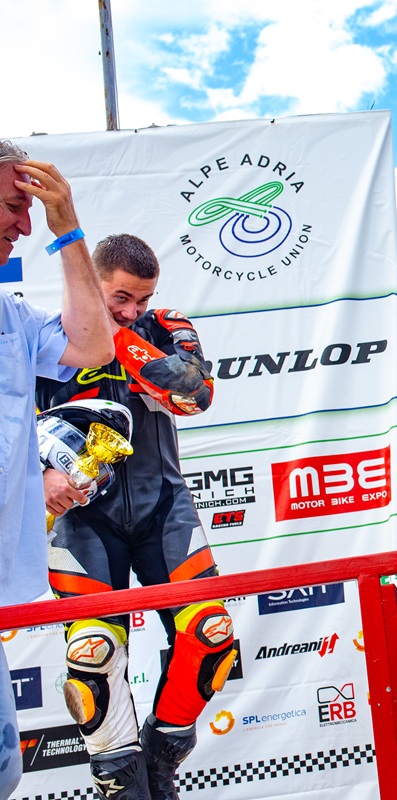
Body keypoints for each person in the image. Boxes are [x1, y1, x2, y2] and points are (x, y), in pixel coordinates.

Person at [37, 234, 235, 800]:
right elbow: (13, 428)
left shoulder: (166, 326)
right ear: (92, 280)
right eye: (120, 297)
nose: (133, 309)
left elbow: (194, 394)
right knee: (93, 653)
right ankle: (122, 785)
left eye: (141, 298)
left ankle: (162, 759)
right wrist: (41, 474)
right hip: (83, 521)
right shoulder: (45, 336)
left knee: (212, 634)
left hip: (164, 509)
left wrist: (114, 332)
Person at [1, 140, 114, 799]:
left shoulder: (11, 317)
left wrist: (67, 228)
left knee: (4, 768)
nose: (24, 224)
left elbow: (93, 345)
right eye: (12, 207)